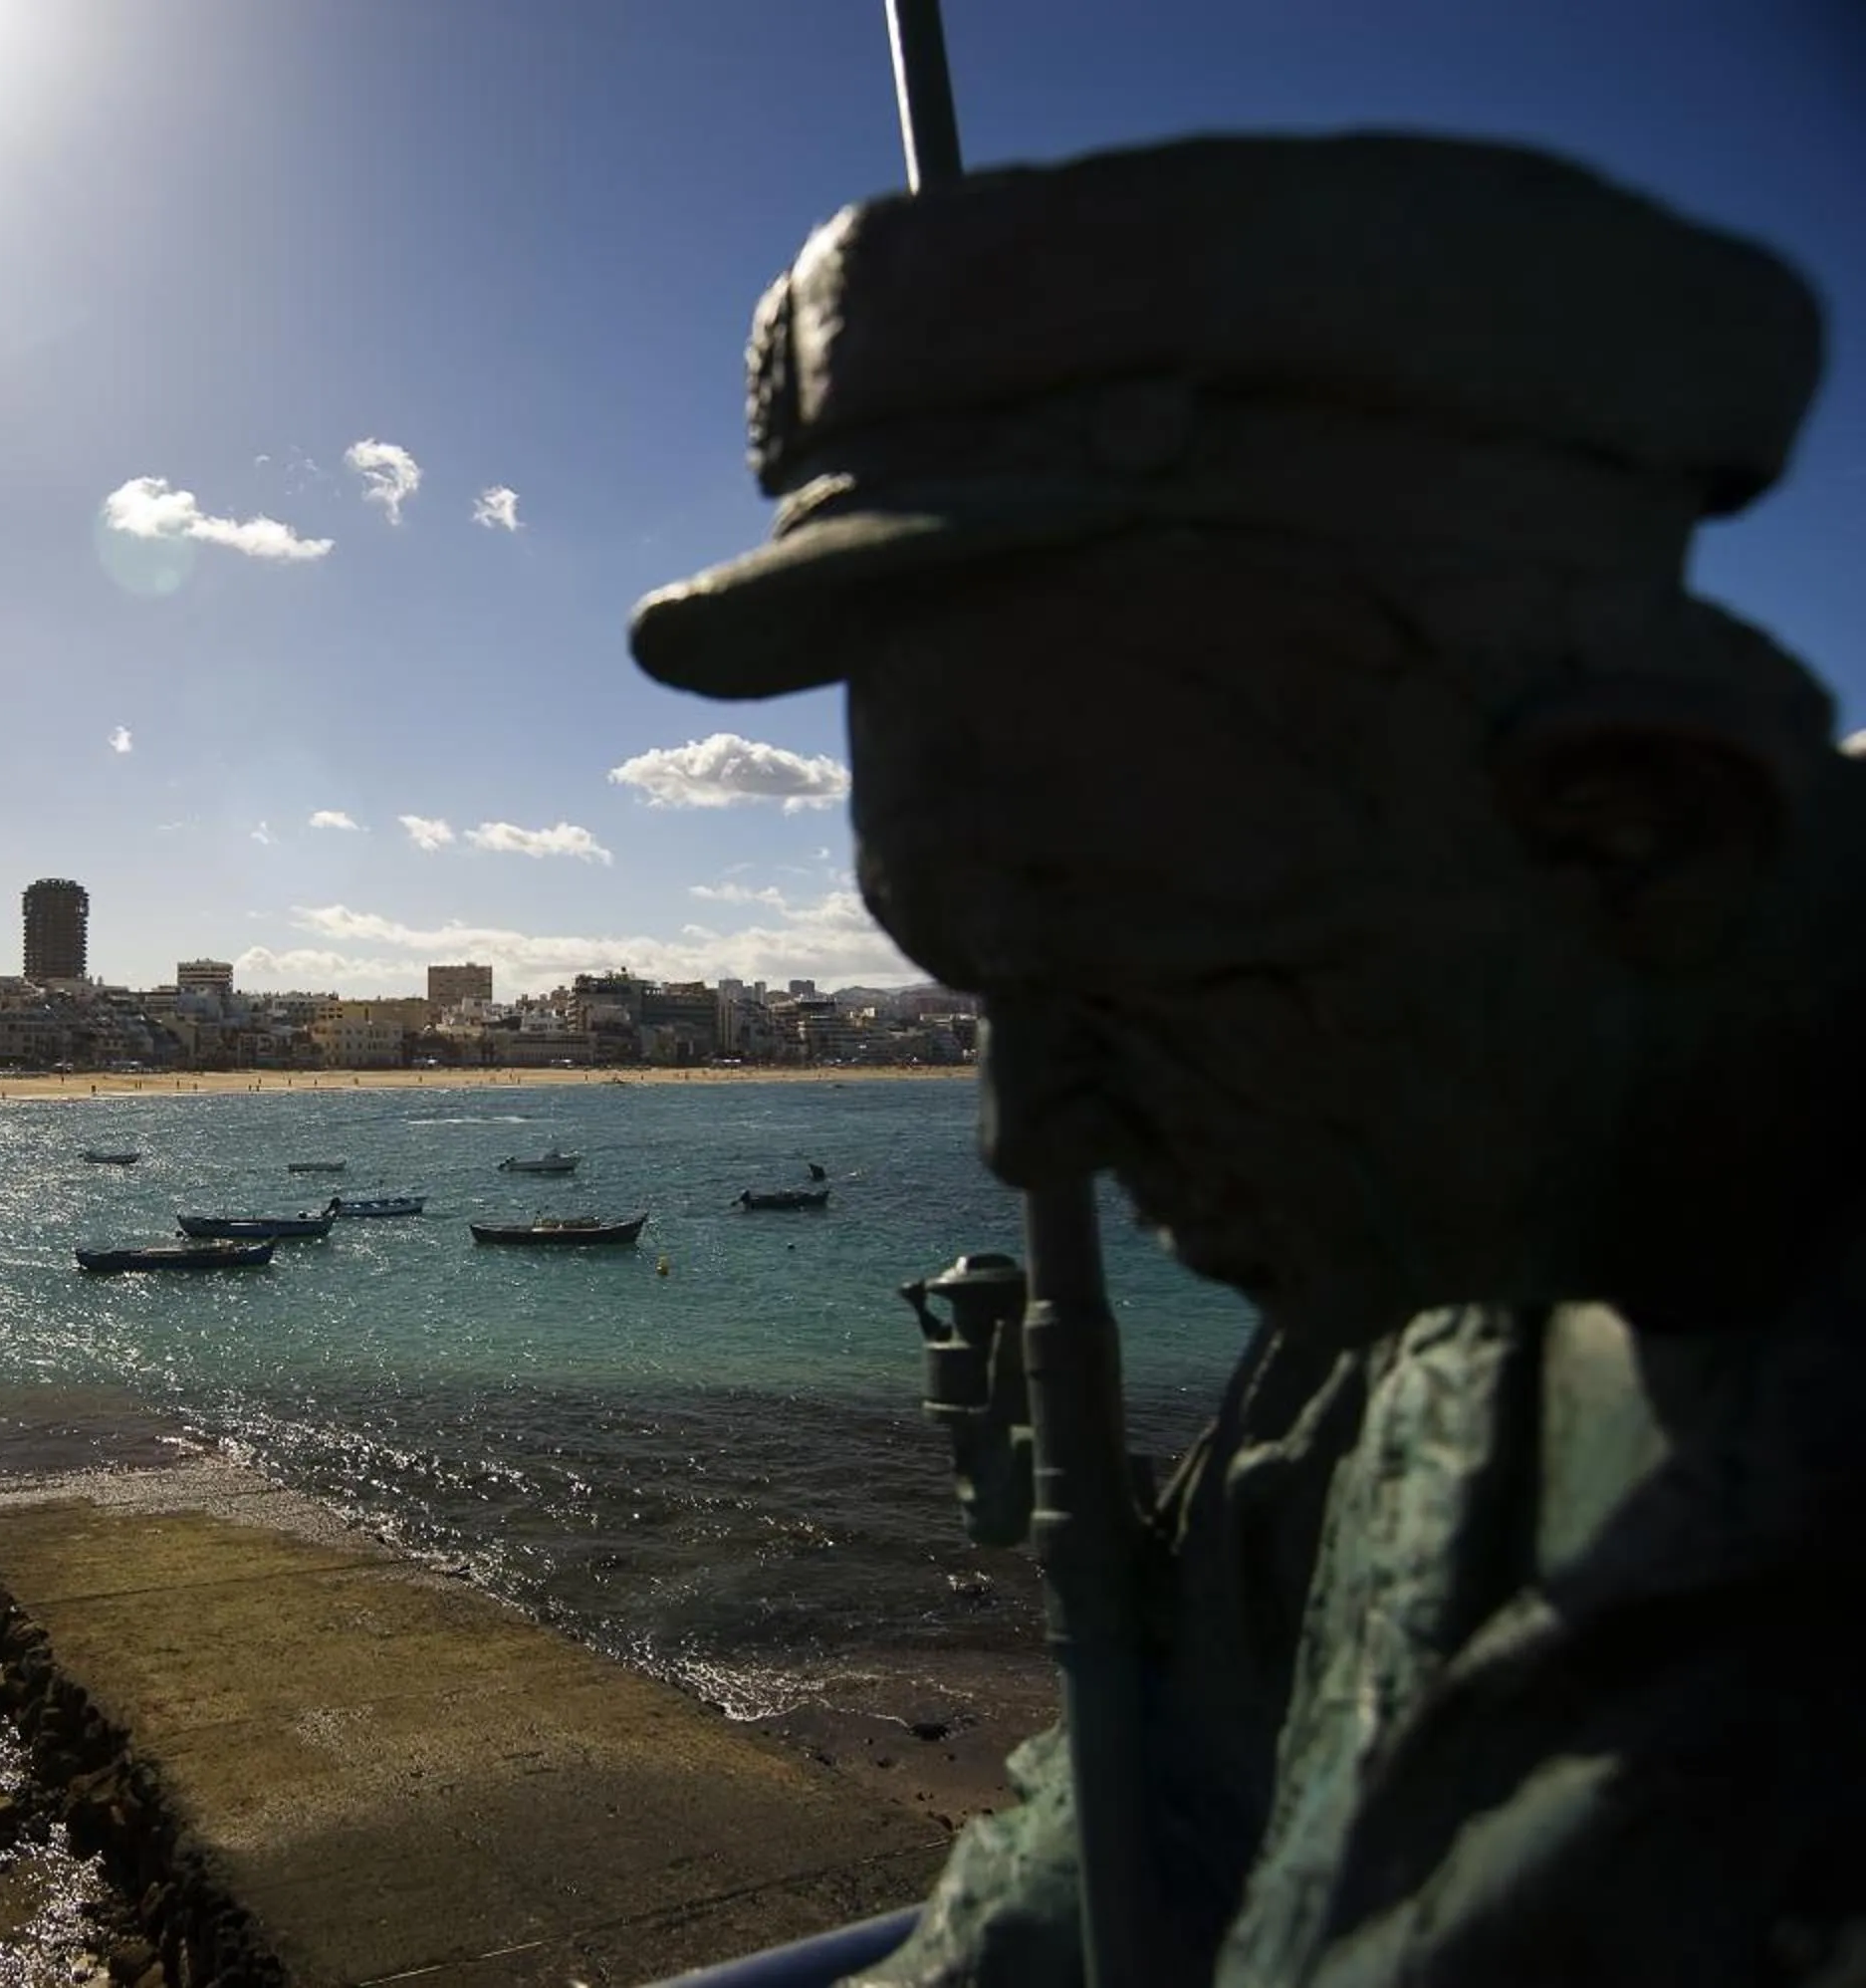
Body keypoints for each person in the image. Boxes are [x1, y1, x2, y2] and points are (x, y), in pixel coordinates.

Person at [629, 133, 1862, 1986]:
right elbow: (1162, 1820)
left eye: (1139, 990)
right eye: (975, 989)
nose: (1021, 1133)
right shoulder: (1411, 1293)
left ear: (1637, 834)